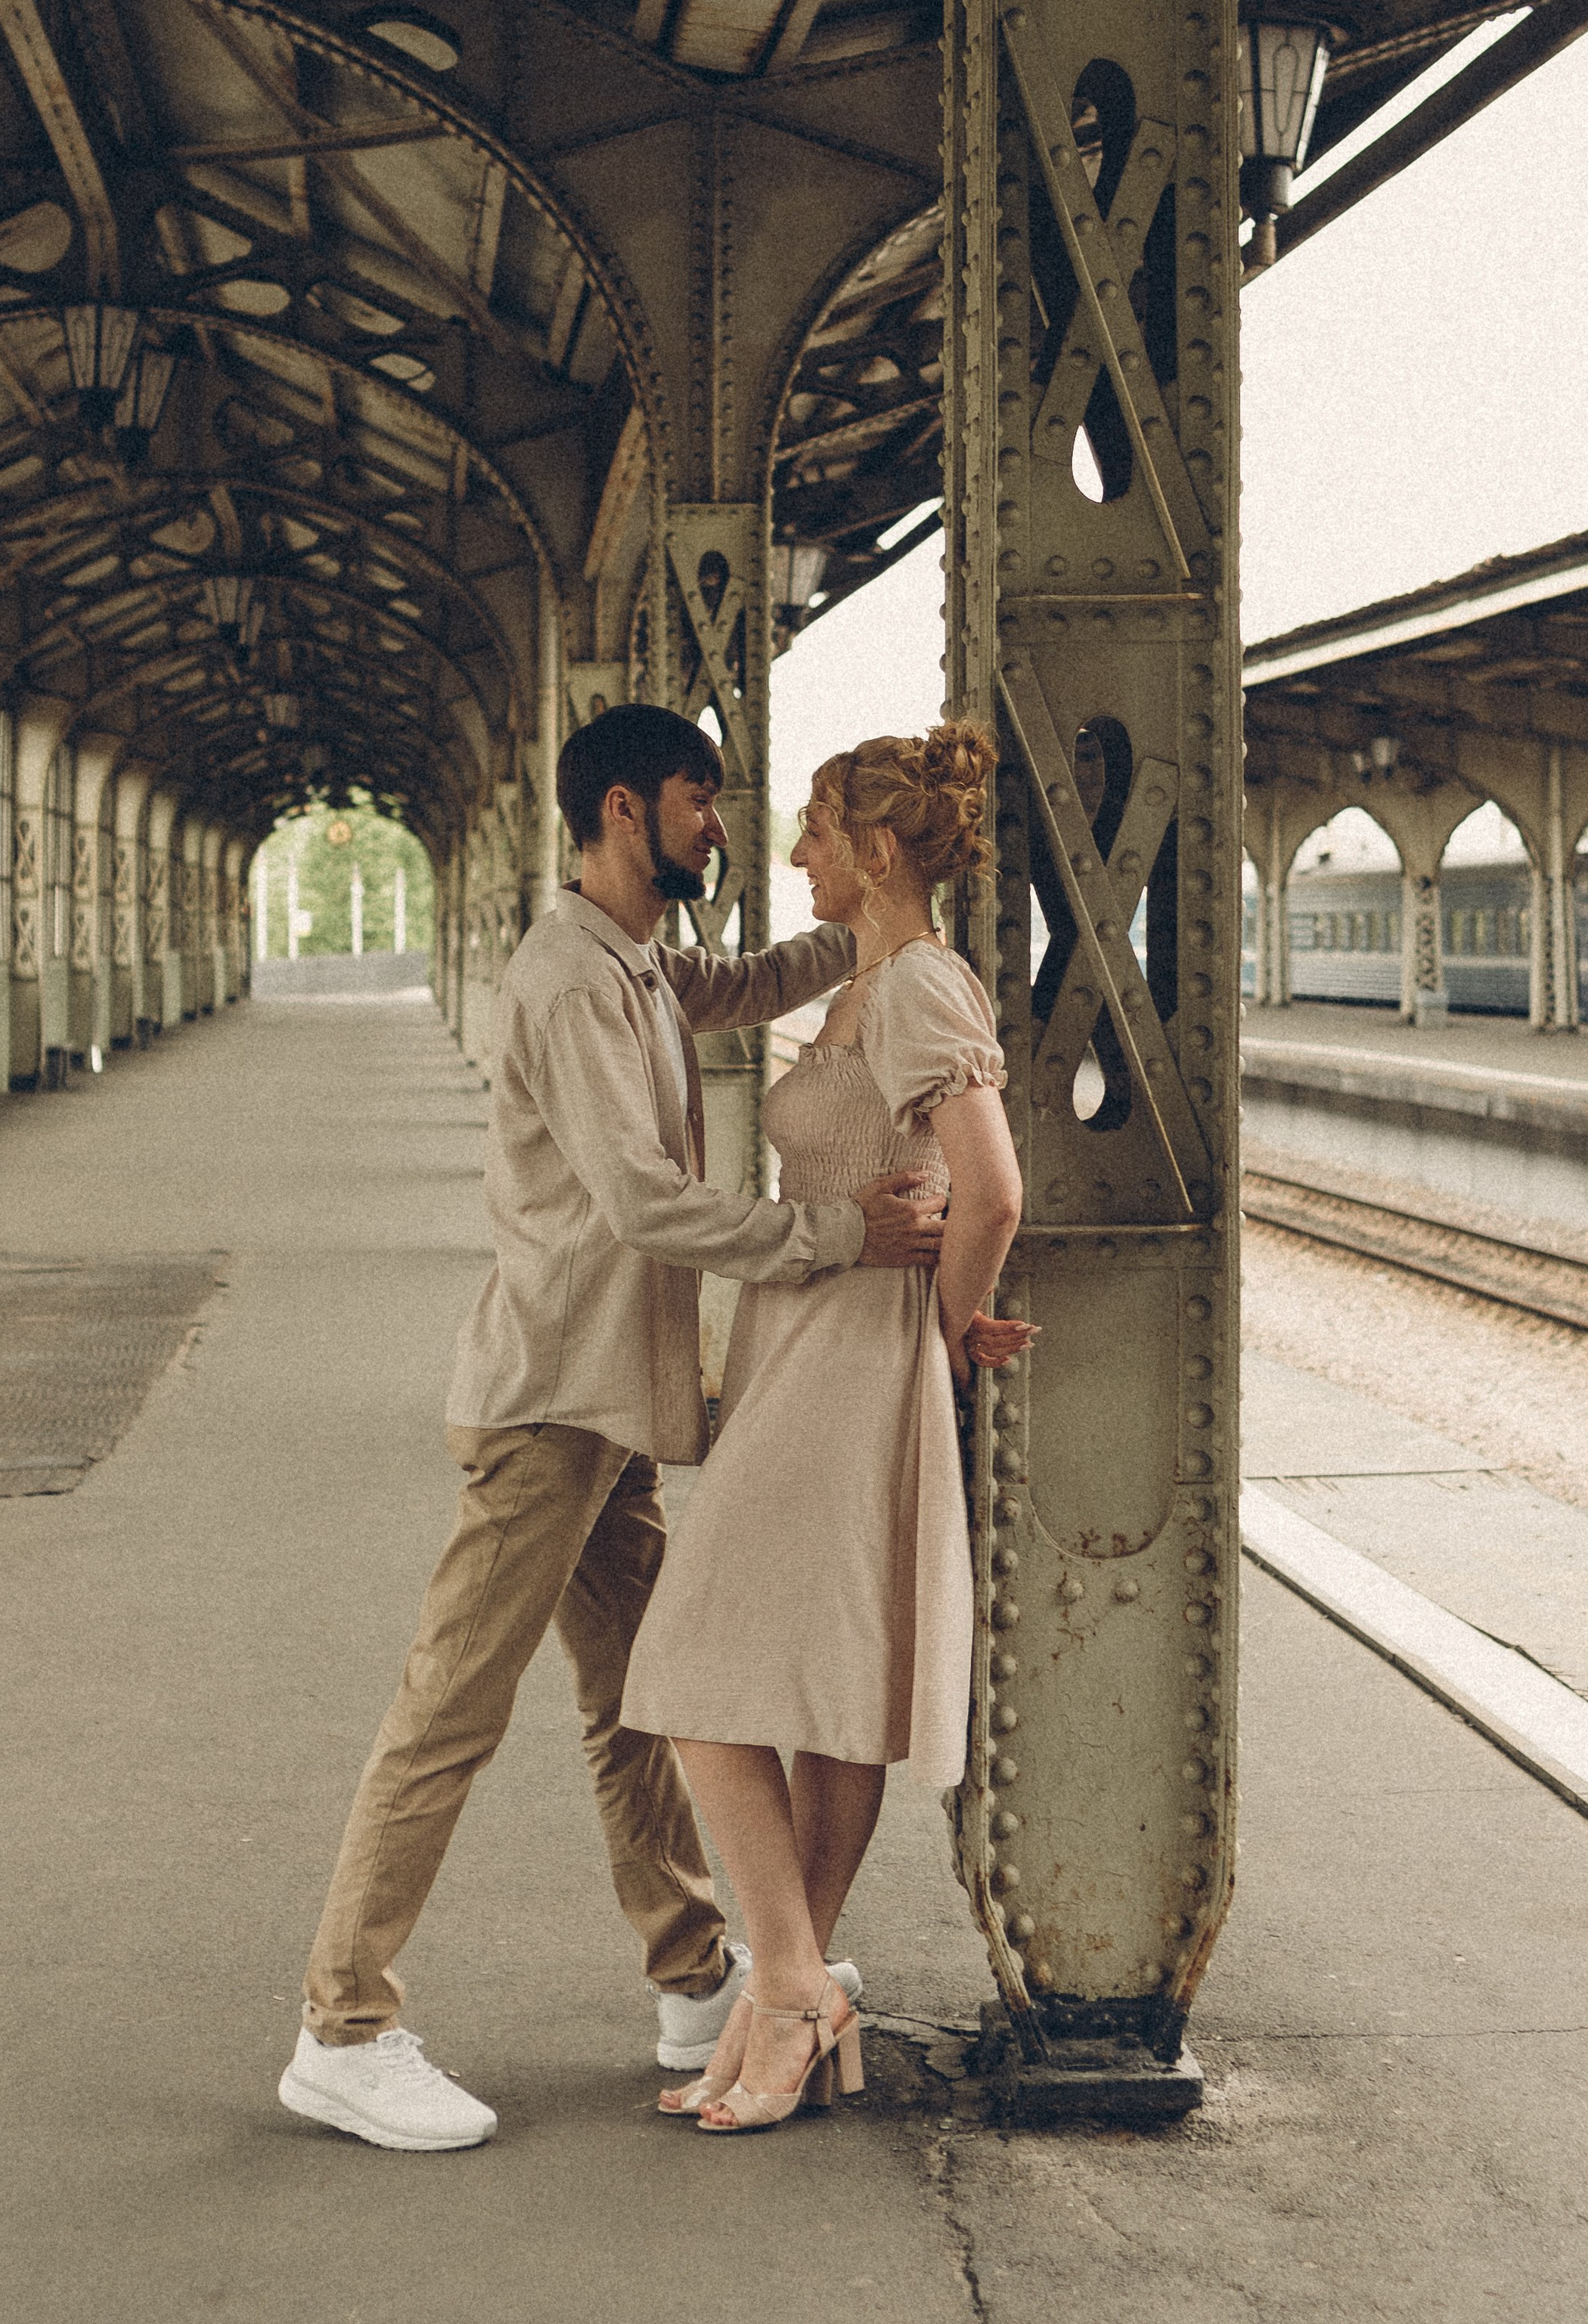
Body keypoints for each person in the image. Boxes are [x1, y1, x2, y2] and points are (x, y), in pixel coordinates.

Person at [278, 703, 946, 2152]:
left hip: (613, 1414)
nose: (726, 828)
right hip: (547, 1411)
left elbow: (762, 973)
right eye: (704, 802)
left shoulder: (638, 957)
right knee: (448, 1713)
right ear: (630, 811)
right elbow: (645, 1202)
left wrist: (895, 903)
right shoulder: (571, 981)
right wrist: (830, 1232)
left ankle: (698, 1975)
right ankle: (343, 2025)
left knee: (636, 1701)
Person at [621, 722, 1036, 2134]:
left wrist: (944, 1333)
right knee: (827, 1680)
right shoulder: (870, 982)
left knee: (685, 1662)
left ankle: (789, 1987)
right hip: (815, 1345)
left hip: (855, 1357)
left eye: (807, 832)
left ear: (868, 855)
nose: (787, 854)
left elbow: (990, 1192)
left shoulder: (918, 981)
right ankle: (786, 2000)